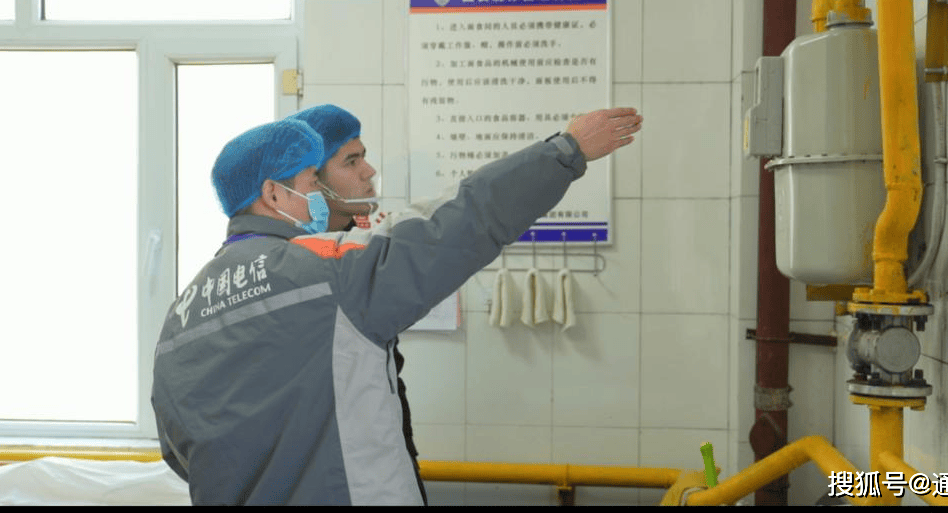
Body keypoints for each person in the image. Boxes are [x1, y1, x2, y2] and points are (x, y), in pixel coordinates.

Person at [151, 108, 642, 505]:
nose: (320, 195)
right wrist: (565, 151)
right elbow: (460, 222)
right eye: (311, 182)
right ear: (273, 193)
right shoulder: (326, 270)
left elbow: (178, 452)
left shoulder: (181, 316)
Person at [286, 104, 430, 504]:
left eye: (364, 157)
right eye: (351, 161)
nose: (369, 171)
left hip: (384, 448)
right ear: (312, 179)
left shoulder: (360, 247)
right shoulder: (283, 260)